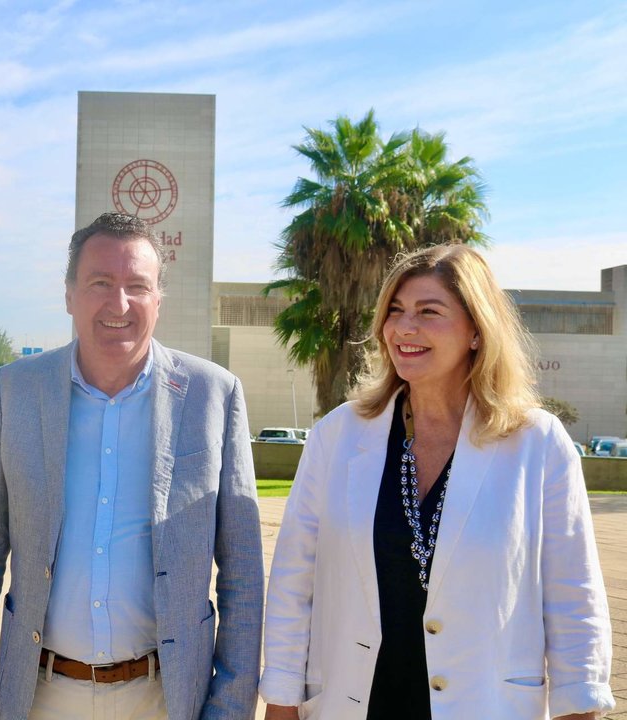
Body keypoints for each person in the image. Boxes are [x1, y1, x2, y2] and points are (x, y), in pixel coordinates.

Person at [260, 244, 615, 720]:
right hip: (356, 702)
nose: (404, 328)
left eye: (429, 312)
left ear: (476, 329)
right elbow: (292, 582)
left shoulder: (538, 443)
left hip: (486, 705)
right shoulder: (337, 436)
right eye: (395, 311)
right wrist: (281, 699)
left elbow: (574, 596)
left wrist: (581, 707)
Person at [0, 212, 264, 720]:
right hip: (43, 695)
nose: (119, 303)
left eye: (138, 285)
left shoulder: (213, 394)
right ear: (69, 295)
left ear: (159, 300)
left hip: (168, 697)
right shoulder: (15, 391)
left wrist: (231, 705)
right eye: (100, 283)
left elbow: (242, 571)